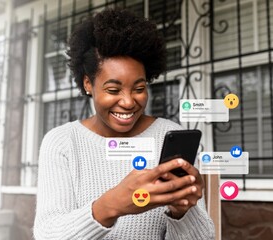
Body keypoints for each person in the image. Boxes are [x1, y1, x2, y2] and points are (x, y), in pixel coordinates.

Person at [33, 8, 215, 239]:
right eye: (113, 89)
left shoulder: (171, 136)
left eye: (139, 89)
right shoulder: (62, 143)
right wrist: (111, 205)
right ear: (88, 83)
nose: (129, 102)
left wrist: (182, 212)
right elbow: (48, 234)